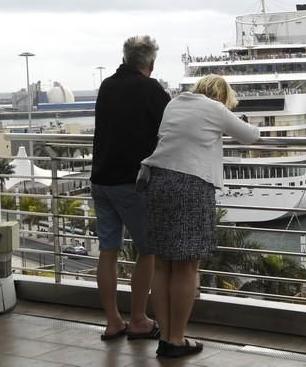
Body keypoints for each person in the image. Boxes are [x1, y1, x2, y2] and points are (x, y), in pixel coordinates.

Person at [142, 74, 259, 358]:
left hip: (157, 180)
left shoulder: (174, 104)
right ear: (221, 97)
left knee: (162, 265)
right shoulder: (215, 108)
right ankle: (176, 339)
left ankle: (165, 336)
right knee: (186, 266)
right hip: (191, 185)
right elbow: (251, 136)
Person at [90, 35, 170, 341]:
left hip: (101, 180)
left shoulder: (107, 85)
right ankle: (138, 318)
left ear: (125, 59)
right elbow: (170, 123)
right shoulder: (150, 88)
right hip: (132, 182)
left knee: (108, 252)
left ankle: (113, 321)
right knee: (148, 251)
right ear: (149, 63)